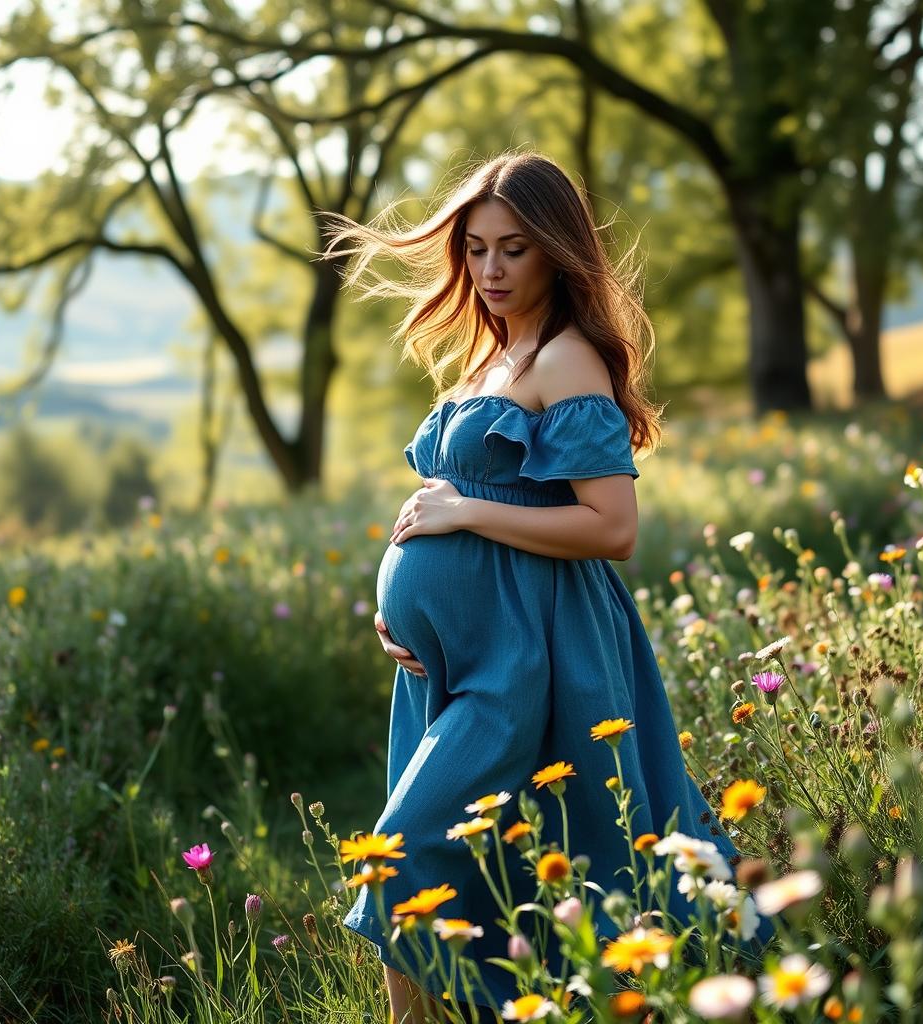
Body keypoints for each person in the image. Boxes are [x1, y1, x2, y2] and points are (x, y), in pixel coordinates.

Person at [318, 150, 773, 1023]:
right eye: (477, 248)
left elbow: (612, 528)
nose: (490, 270)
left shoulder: (566, 361)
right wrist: (404, 615)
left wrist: (465, 520)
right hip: (451, 664)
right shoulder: (495, 358)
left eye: (513, 249)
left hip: (534, 657)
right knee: (435, 860)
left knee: (410, 849)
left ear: (556, 251)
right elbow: (458, 505)